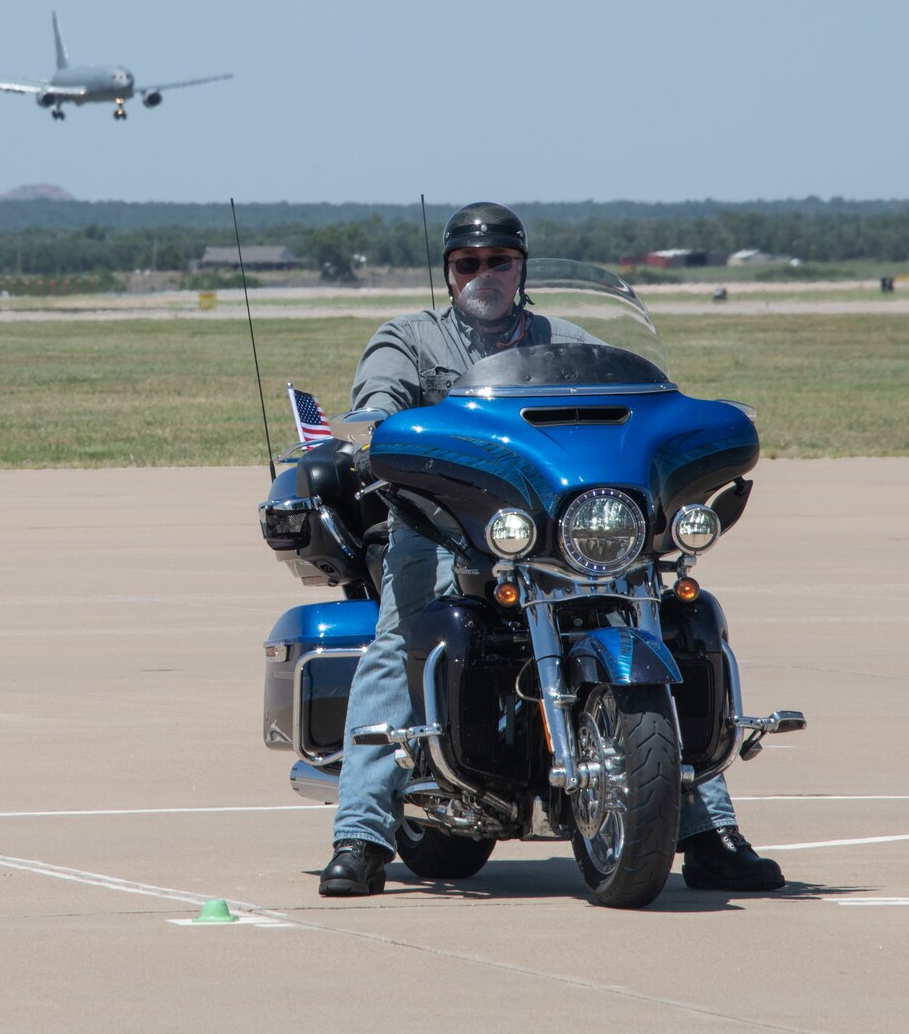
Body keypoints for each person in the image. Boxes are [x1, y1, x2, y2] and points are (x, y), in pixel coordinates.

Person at [318, 202, 785, 897]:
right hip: (446, 524)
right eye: (468, 263)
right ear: (449, 274)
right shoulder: (411, 339)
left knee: (672, 628)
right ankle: (360, 833)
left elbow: (642, 405)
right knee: (401, 635)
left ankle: (707, 828)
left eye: (498, 261)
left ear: (521, 268)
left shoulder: (567, 342)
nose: (484, 274)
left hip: (563, 531)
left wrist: (696, 425)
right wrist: (385, 429)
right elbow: (378, 405)